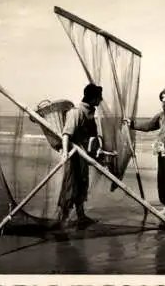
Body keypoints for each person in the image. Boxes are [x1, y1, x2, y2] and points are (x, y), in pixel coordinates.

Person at [124, 86, 165, 225]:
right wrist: (132, 124)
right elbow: (149, 125)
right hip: (162, 153)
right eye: (162, 98)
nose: (164, 100)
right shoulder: (162, 115)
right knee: (163, 181)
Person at [56, 83, 103, 228]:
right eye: (99, 97)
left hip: (83, 155)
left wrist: (99, 150)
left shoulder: (90, 112)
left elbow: (93, 135)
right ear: (92, 98)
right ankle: (62, 219)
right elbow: (66, 134)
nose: (100, 100)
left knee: (82, 183)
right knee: (71, 185)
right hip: (73, 154)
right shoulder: (76, 112)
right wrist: (65, 153)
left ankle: (81, 215)